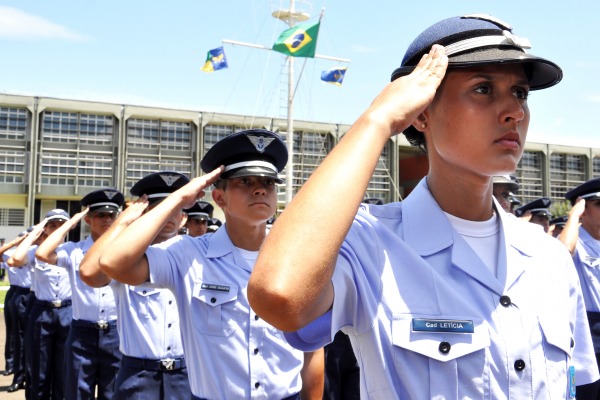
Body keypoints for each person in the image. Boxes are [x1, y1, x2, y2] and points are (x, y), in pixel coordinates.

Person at [247, 14, 600, 399]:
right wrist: (377, 120)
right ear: (421, 113)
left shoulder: (548, 256)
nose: (514, 110)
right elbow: (279, 295)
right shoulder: (373, 245)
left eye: (520, 92)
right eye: (483, 89)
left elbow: (578, 385)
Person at [97, 129, 324, 399]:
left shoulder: (297, 258)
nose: (260, 189)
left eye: (268, 182)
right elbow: (113, 262)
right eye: (245, 181)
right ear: (219, 198)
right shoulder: (188, 255)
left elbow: (312, 349)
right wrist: (178, 199)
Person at [80, 172, 191, 400]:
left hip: (189, 374)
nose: (167, 214)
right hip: (139, 375)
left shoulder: (200, 254)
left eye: (173, 207)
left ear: (183, 218)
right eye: (158, 208)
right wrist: (123, 221)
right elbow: (89, 273)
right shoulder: (124, 257)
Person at [35, 191, 124, 400]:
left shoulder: (124, 251)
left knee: (112, 394)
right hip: (82, 333)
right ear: (88, 219)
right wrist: (71, 222)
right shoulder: (74, 251)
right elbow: (43, 253)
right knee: (76, 392)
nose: (107, 220)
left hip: (115, 332)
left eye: (111, 215)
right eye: (101, 215)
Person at [9, 210, 73, 400]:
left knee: (63, 371)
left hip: (68, 312)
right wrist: (35, 233)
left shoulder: (74, 249)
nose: (57, 229)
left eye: (62, 225)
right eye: (52, 225)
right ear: (45, 228)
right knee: (38, 370)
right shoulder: (36, 252)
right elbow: (16, 260)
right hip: (41, 311)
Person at [1, 230, 35, 393]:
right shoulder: (12, 254)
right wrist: (16, 241)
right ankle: (18, 374)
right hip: (20, 292)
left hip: (37, 296)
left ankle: (32, 376)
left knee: (37, 340)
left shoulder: (41, 252)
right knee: (17, 336)